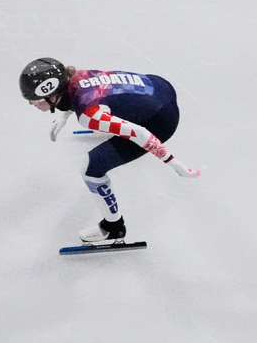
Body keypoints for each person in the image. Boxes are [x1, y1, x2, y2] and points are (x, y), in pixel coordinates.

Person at [19, 57, 200, 243]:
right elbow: (80, 96)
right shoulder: (77, 76)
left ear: (52, 95)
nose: (33, 104)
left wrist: (173, 163)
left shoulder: (89, 115)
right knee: (106, 110)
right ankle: (122, 118)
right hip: (159, 85)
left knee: (91, 170)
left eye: (36, 101)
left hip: (161, 120)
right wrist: (64, 116)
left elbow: (139, 133)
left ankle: (113, 227)